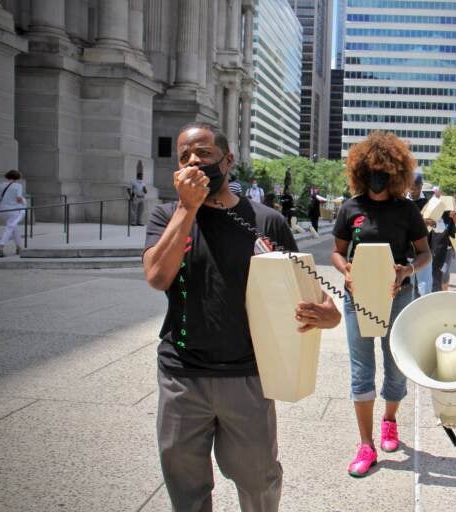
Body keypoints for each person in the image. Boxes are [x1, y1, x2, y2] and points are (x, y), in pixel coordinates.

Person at [142, 122, 341, 511]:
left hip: (247, 377)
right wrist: (187, 208)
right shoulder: (167, 214)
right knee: (185, 487)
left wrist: (328, 314)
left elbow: (312, 293)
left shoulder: (267, 222)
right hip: (182, 375)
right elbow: (157, 276)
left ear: (228, 161)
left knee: (259, 481)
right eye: (185, 157)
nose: (194, 162)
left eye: (204, 154)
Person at [331, 130, 431, 477]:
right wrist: (345, 270)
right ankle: (366, 443)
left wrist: (407, 271)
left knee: (396, 365)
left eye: (384, 171)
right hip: (357, 296)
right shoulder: (350, 208)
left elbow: (424, 253)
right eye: (372, 170)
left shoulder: (407, 210)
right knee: (361, 370)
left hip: (397, 296)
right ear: (361, 171)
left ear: (396, 173)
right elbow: (337, 252)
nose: (378, 177)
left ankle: (389, 421)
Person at [408, 171, 434, 297]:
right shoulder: (400, 202)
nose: (413, 191)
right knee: (408, 289)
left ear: (421, 186)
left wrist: (433, 223)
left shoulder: (429, 202)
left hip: (424, 252)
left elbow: (441, 227)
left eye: (416, 188)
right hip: (406, 252)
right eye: (411, 188)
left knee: (425, 289)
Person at [0, 169, 25, 257]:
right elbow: (19, 198)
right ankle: (1, 247)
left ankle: (19, 247)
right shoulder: (18, 186)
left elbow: (0, 197)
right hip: (15, 210)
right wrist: (24, 202)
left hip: (3, 210)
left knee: (13, 227)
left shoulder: (2, 185)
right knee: (10, 227)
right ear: (17, 177)